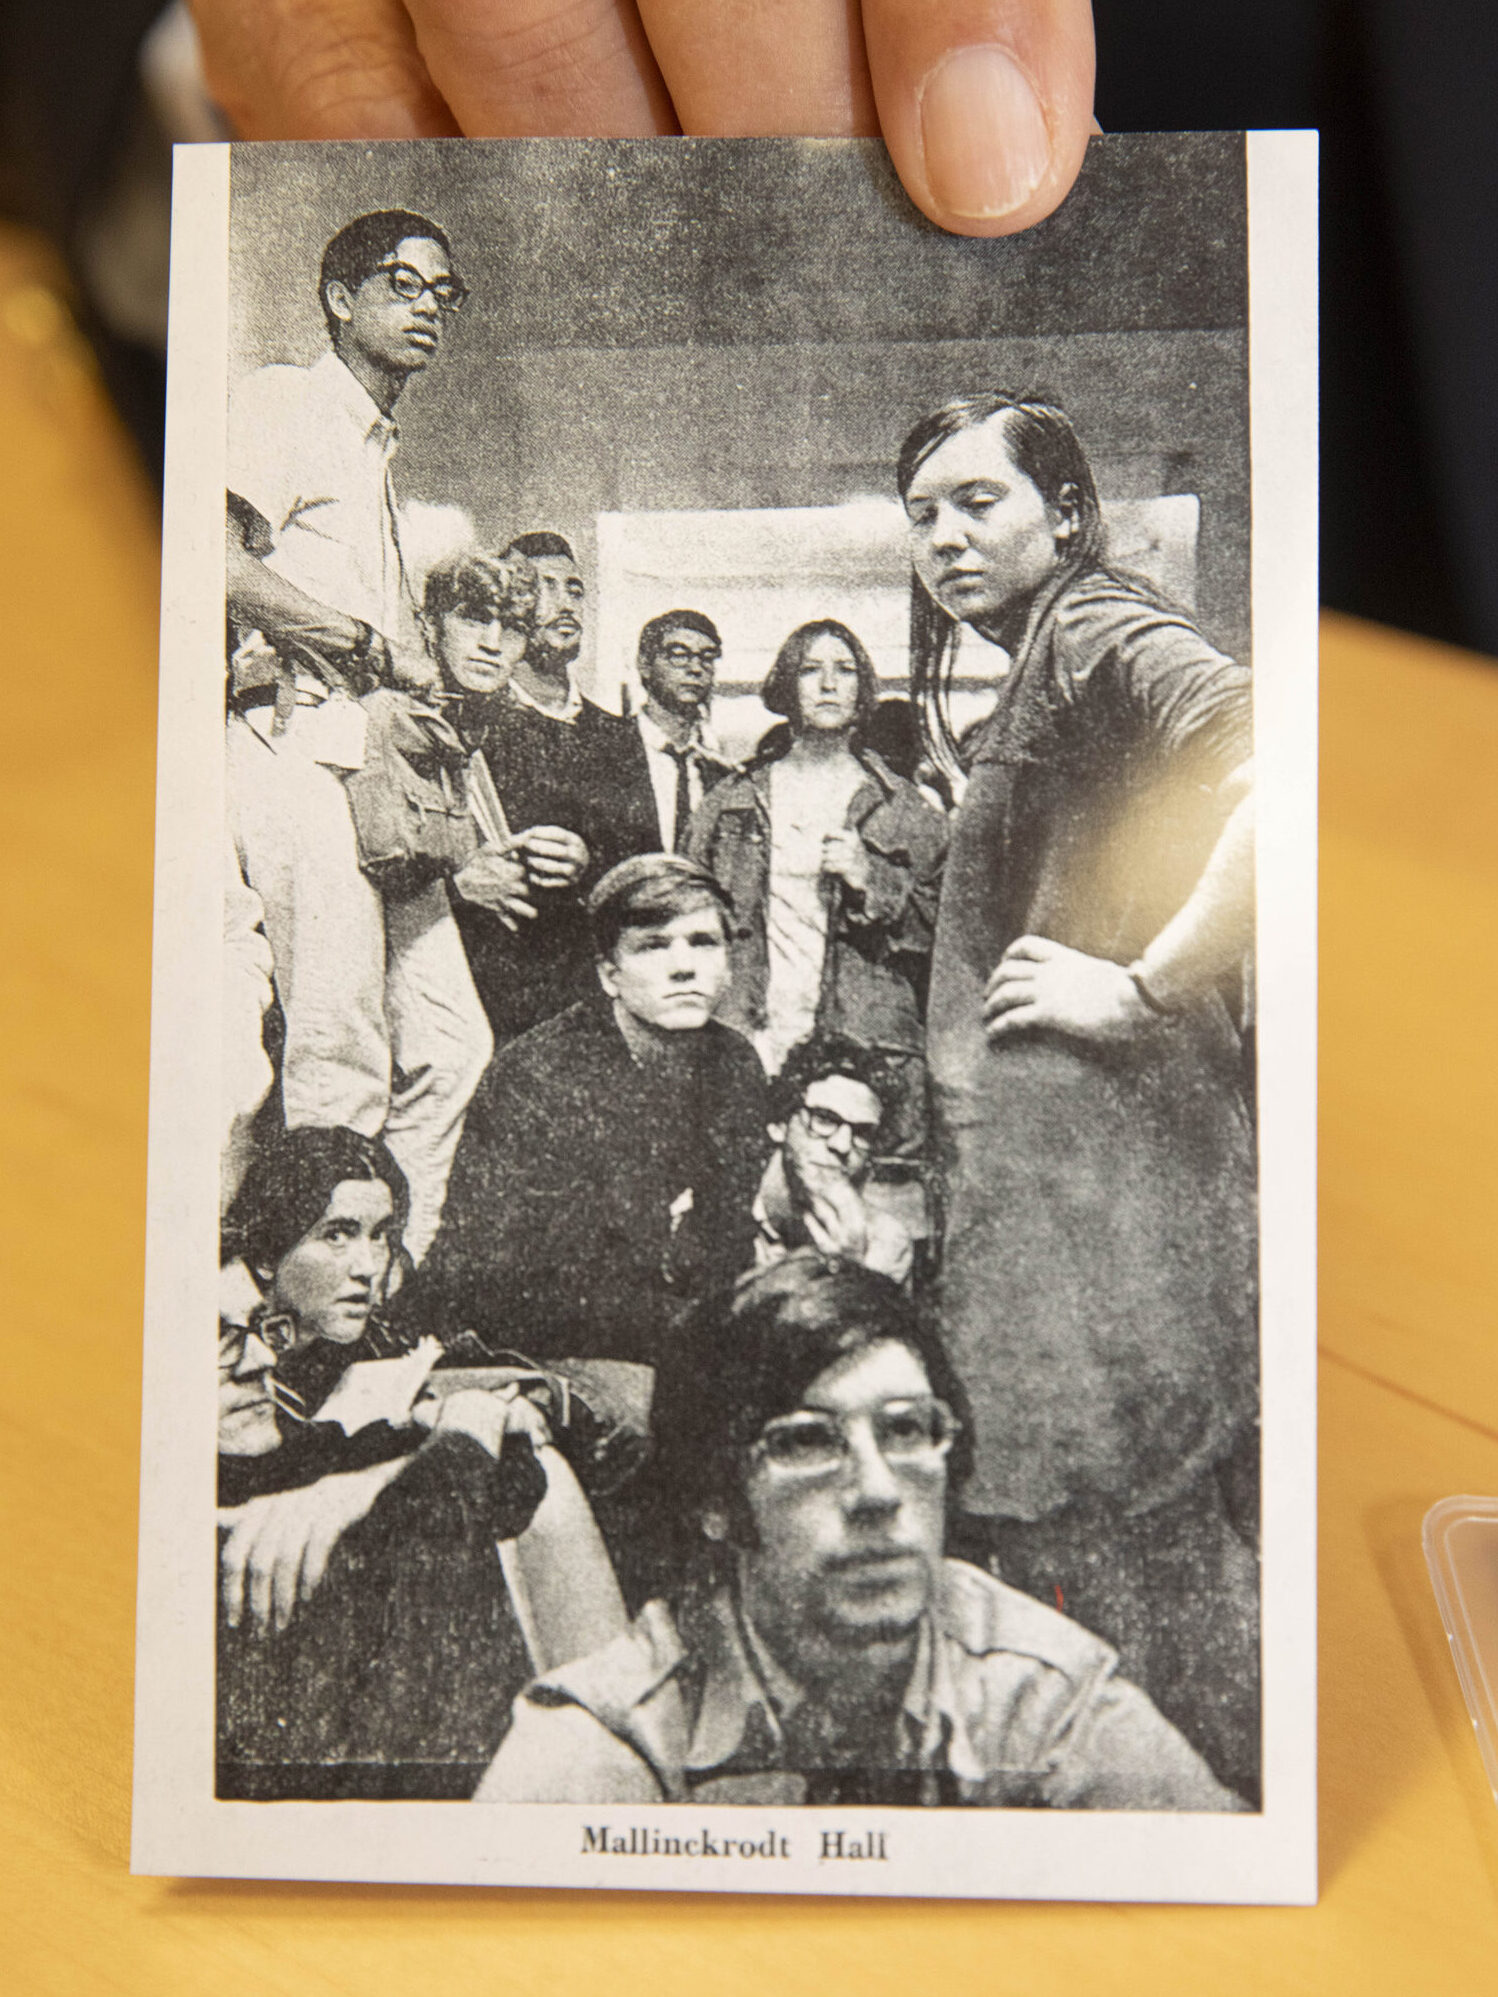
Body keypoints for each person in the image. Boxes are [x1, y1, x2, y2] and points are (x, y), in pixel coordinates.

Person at [900, 391, 1260, 1799]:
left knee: (1133, 1571)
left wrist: (1145, 986)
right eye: (921, 514)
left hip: (1112, 1207)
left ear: (1064, 511)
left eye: (975, 501)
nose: (942, 536)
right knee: (1082, 1567)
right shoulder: (1043, 656)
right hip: (1049, 1211)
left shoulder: (1101, 627)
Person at [478, 1253, 1242, 1809]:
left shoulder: (1039, 1697)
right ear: (716, 1500)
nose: (878, 1491)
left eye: (907, 1430)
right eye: (807, 1442)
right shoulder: (611, 1741)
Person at [224, 209, 494, 1260]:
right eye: (402, 283)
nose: (428, 305)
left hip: (377, 772)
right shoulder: (282, 400)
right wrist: (372, 649)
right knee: (338, 1052)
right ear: (340, 299)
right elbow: (211, 564)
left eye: (443, 291)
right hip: (295, 749)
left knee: (451, 1044)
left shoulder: (380, 450)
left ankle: (387, 1284)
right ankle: (313, 1312)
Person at [217, 1124, 627, 1798]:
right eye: (336, 1232)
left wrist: (460, 1416)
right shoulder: (253, 1401)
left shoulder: (373, 1347)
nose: (365, 1264)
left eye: (380, 1235)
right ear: (266, 1253)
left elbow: (535, 1424)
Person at [405, 853, 769, 1369]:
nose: (684, 965)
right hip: (518, 1344)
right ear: (609, 975)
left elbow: (723, 1239)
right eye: (653, 946)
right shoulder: (542, 1074)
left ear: (729, 966)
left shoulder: (736, 1065)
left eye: (704, 942)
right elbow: (522, 1289)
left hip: (657, 1333)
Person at [687, 617, 946, 1150]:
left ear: (862, 689)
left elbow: (942, 940)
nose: (829, 684)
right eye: (811, 670)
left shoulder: (908, 809)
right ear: (786, 686)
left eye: (845, 670)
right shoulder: (733, 800)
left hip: (863, 1044)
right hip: (752, 1032)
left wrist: (870, 878)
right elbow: (685, 916)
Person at [456, 530, 661, 1043]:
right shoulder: (467, 720)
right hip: (488, 991)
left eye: (574, 588)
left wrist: (589, 862)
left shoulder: (615, 734)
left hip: (590, 994)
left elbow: (645, 867)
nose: (565, 602)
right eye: (543, 586)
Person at [753, 1033, 915, 1287]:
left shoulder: (885, 1243)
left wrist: (849, 1272)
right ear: (779, 1124)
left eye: (862, 1133)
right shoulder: (715, 1205)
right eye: (824, 1119)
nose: (841, 1145)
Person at [631, 609, 733, 851]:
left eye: (707, 657)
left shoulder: (722, 775)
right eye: (679, 655)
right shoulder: (603, 752)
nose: (695, 668)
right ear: (644, 665)